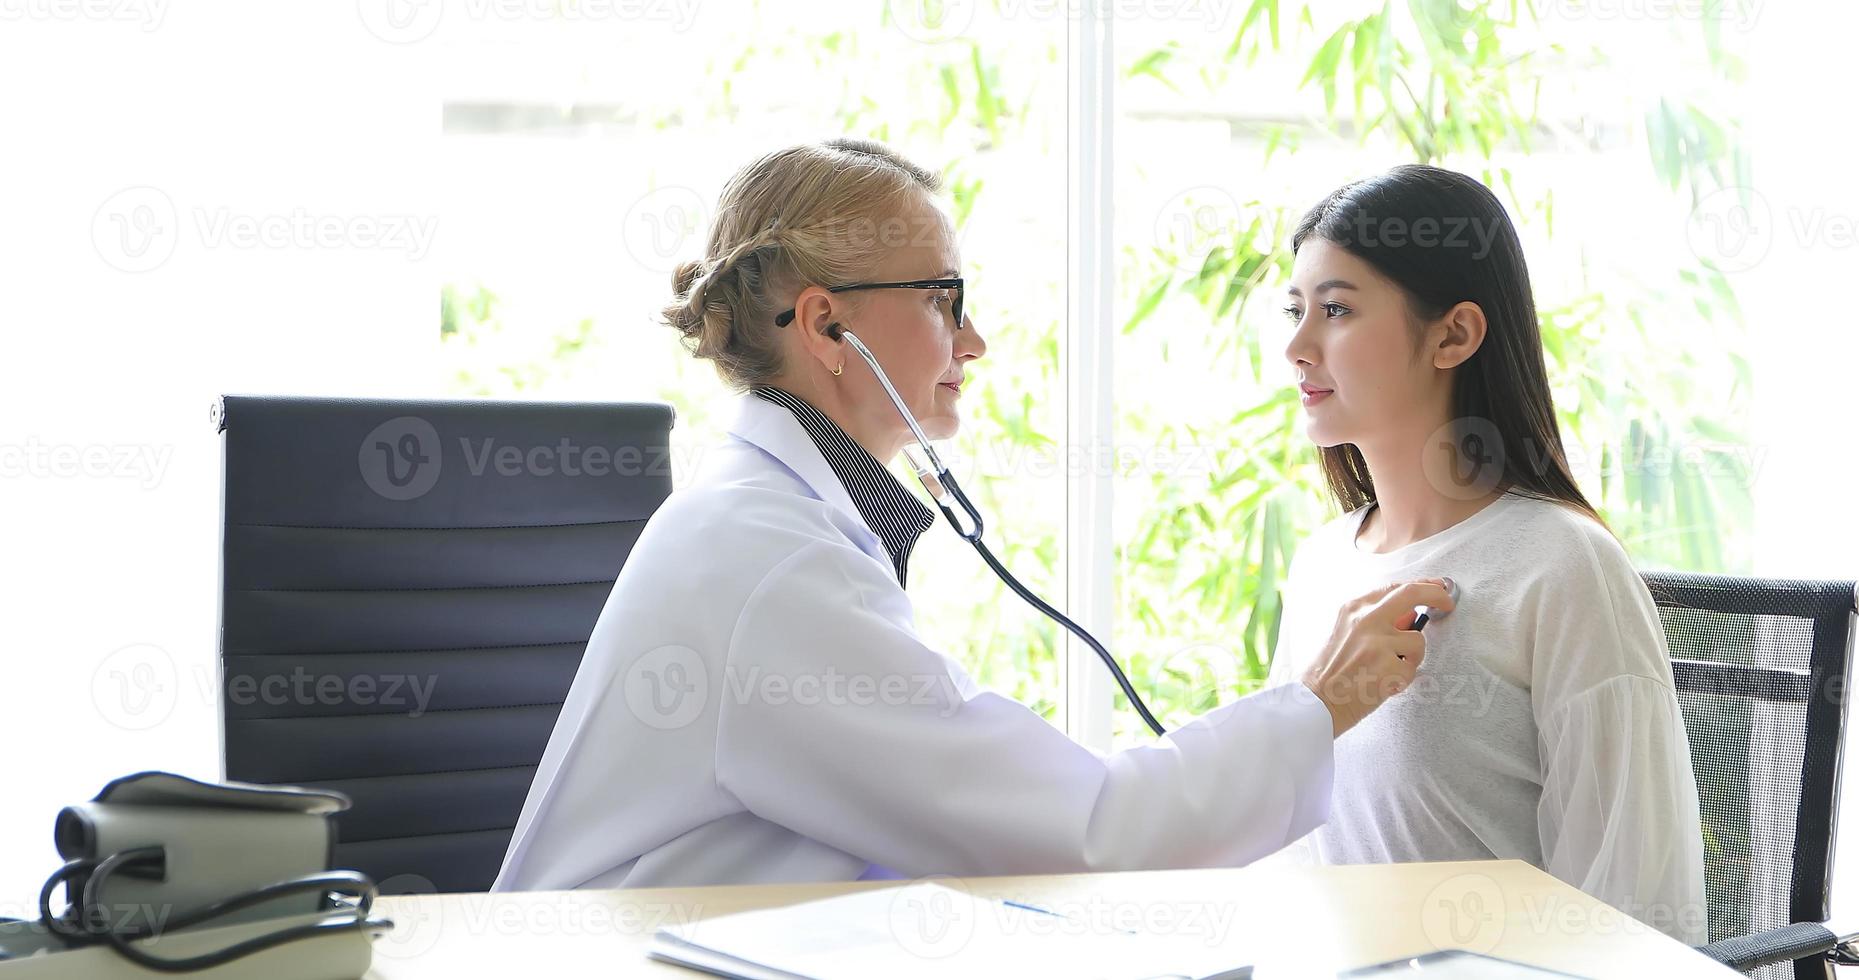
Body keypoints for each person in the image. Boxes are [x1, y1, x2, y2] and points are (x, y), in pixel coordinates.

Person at [493, 139, 1452, 891]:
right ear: (829, 326)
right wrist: (1322, 701)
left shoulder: (771, 520)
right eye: (944, 301)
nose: (975, 340)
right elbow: (1089, 833)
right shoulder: (769, 561)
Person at [1265, 164, 1707, 943]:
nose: (1297, 346)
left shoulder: (1563, 567)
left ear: (1454, 335)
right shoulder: (1321, 563)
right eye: (1294, 310)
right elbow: (1285, 849)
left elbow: (1631, 901)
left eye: (1335, 309)